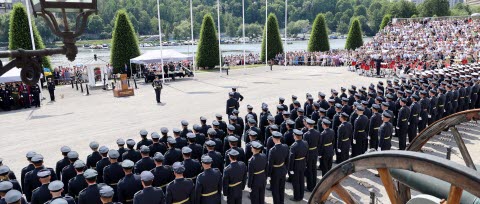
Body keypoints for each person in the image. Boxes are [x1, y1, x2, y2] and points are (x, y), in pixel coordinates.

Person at [267, 131, 289, 203]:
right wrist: (286, 169)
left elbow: (270, 164)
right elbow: (287, 160)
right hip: (283, 169)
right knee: (281, 189)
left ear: (273, 139)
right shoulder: (285, 147)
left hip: (275, 172)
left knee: (275, 190)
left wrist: (269, 175)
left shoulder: (272, 150)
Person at [288, 129, 307, 201]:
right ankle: (301, 195)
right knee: (301, 180)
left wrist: (290, 169)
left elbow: (291, 158)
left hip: (296, 165)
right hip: (302, 163)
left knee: (296, 182)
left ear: (295, 136)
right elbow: (306, 154)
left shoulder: (294, 146)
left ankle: (296, 197)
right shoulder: (305, 143)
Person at [303, 119, 320, 192]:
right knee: (314, 169)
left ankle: (310, 187)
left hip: (309, 153)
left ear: (307, 125)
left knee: (309, 169)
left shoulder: (306, 134)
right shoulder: (317, 132)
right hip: (315, 151)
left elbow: (305, 146)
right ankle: (314, 185)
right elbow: (319, 143)